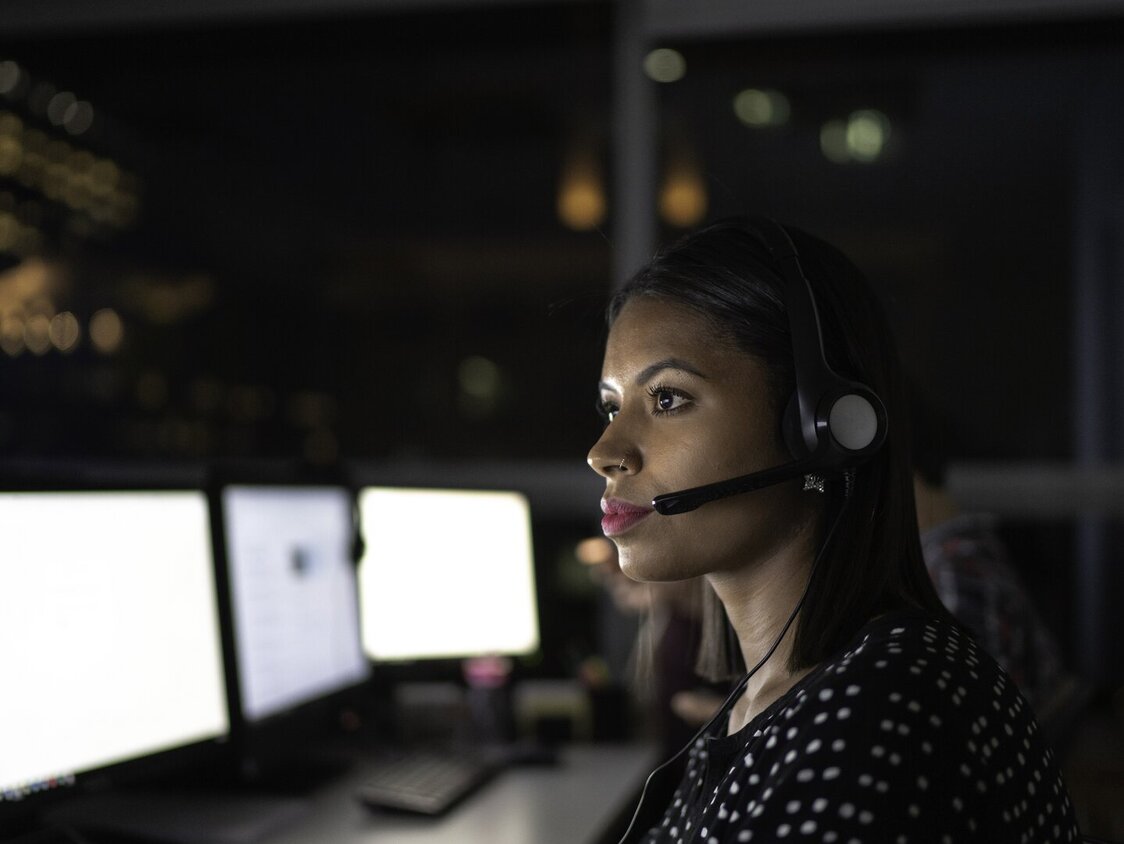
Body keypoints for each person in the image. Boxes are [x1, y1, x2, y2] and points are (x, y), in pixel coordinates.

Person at [586, 217, 1081, 842]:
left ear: (820, 430)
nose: (604, 450)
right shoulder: (770, 700)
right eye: (611, 406)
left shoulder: (887, 707)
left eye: (667, 399)